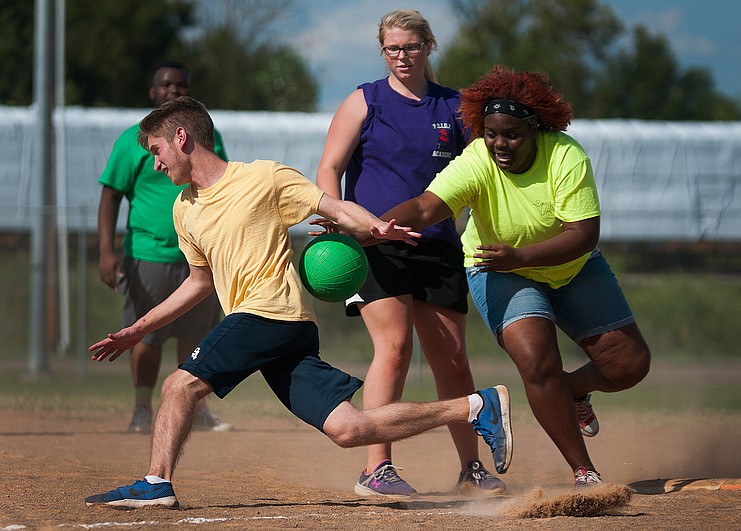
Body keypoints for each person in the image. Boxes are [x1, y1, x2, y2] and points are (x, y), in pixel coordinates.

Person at [84, 96, 512, 509]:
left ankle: (157, 482)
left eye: (157, 151)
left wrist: (377, 227)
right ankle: (475, 406)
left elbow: (335, 207)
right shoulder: (184, 208)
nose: (155, 164)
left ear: (181, 138)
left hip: (270, 313)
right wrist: (138, 329)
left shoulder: (263, 177)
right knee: (349, 428)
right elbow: (200, 282)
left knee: (179, 385)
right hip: (275, 330)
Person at [380, 66, 651, 487]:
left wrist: (520, 255)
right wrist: (376, 227)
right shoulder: (477, 160)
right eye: (491, 133)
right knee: (537, 362)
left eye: (512, 134)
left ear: (535, 129)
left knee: (630, 365)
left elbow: (584, 234)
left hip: (571, 267)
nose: (499, 144)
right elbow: (424, 206)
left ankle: (572, 392)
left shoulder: (565, 155)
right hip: (498, 269)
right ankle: (585, 472)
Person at [315, 9, 503, 498]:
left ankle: (472, 471)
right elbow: (329, 167)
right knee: (394, 348)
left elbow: (487, 170)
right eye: (393, 48)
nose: (402, 56)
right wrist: (340, 218)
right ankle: (377, 468)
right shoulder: (364, 99)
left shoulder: (456, 106)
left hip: (438, 246)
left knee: (453, 361)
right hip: (377, 245)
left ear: (428, 47)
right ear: (383, 51)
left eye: (411, 47)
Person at [97, 61, 231, 434]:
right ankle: (142, 409)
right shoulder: (133, 140)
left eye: (182, 85)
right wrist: (107, 251)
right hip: (149, 254)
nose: (174, 90)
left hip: (200, 255)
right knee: (147, 335)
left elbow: (220, 182)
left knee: (197, 337)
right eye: (166, 85)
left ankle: (196, 410)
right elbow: (110, 196)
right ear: (153, 93)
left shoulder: (207, 135)